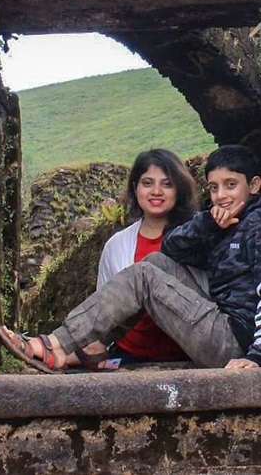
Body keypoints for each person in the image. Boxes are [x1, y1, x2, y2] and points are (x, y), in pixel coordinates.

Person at [0, 144, 261, 372]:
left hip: (234, 339)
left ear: (253, 185)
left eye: (231, 185)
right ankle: (86, 348)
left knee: (141, 275)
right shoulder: (222, 224)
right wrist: (208, 223)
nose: (221, 196)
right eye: (214, 187)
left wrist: (259, 356)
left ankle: (57, 344)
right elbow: (171, 249)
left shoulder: (260, 225)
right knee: (153, 264)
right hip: (217, 325)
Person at [70, 148, 199, 368]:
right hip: (129, 356)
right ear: (135, 188)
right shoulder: (117, 245)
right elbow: (105, 306)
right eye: (147, 183)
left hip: (189, 356)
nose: (156, 191)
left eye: (167, 184)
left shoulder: (197, 237)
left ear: (179, 190)